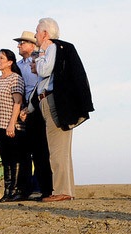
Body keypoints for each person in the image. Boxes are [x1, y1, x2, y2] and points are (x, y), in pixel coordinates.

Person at [32, 18, 94, 202]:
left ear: (45, 33)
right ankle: (66, 189)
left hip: (53, 102)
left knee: (57, 149)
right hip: (50, 101)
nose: (35, 35)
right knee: (61, 149)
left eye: (37, 31)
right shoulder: (56, 49)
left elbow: (44, 71)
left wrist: (41, 54)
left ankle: (62, 191)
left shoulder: (50, 48)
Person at [14, 30, 52, 199]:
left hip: (36, 107)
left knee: (41, 150)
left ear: (32, 45)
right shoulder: (17, 65)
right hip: (22, 110)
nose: (19, 45)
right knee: (24, 152)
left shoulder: (38, 61)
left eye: (22, 42)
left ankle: (39, 186)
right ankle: (25, 188)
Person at [0, 49, 25, 202]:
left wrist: (11, 124)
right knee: (5, 159)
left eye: (1, 58)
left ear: (10, 62)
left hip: (11, 125)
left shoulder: (15, 78)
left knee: (14, 158)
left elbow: (18, 102)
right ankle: (7, 191)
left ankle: (15, 190)